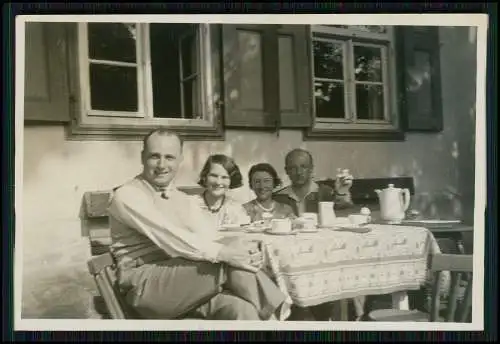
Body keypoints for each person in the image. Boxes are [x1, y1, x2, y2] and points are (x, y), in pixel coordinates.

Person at [107, 128, 287, 320]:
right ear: (142, 157)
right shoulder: (128, 195)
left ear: (179, 160)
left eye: (169, 157)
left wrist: (242, 250)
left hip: (186, 285)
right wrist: (226, 253)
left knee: (242, 310)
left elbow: (208, 235)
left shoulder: (181, 199)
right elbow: (170, 237)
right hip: (145, 286)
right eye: (154, 156)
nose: (161, 165)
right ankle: (281, 315)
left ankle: (276, 318)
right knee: (226, 265)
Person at [273, 148, 357, 321]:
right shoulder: (279, 197)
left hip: (324, 263)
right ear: (287, 171)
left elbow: (344, 213)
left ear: (312, 169)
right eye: (293, 168)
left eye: (303, 166)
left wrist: (342, 192)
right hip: (293, 267)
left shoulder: (325, 192)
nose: (298, 172)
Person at [192, 154, 251, 231]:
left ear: (231, 181)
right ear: (205, 177)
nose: (218, 182)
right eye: (213, 176)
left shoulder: (236, 209)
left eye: (224, 177)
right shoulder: (191, 205)